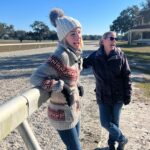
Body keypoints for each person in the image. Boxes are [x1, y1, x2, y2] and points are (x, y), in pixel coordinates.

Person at [30, 8, 84, 150]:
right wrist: (57, 85)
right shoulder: (61, 55)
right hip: (62, 114)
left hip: (75, 109)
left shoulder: (75, 54)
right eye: (73, 34)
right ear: (63, 37)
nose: (78, 37)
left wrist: (77, 84)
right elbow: (35, 77)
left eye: (79, 32)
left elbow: (67, 74)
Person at [83, 31, 132, 150]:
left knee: (115, 123)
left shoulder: (120, 54)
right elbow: (82, 65)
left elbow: (127, 75)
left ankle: (112, 146)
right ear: (103, 40)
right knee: (105, 122)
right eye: (111, 38)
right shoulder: (95, 56)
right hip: (103, 95)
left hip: (118, 95)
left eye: (116, 38)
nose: (114, 41)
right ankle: (122, 139)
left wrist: (128, 94)